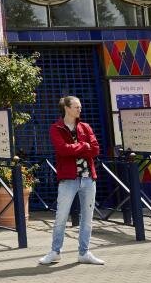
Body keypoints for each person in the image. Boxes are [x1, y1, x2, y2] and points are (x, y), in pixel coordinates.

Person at [39, 95, 105, 265]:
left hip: (88, 178)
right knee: (61, 216)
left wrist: (78, 148)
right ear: (67, 108)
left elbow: (96, 149)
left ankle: (84, 253)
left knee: (87, 218)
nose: (79, 109)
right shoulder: (56, 128)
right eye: (76, 106)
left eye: (80, 106)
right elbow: (62, 150)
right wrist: (84, 146)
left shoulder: (85, 127)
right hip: (68, 179)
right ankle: (55, 252)